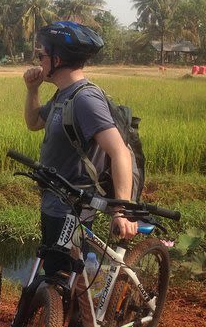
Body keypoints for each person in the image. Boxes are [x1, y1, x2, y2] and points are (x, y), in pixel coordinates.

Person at [22, 21, 138, 279]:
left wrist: (122, 211)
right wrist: (32, 90)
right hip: (55, 203)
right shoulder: (63, 94)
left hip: (74, 208)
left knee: (60, 277)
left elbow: (118, 151)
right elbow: (33, 123)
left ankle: (75, 316)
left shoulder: (85, 99)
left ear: (57, 58)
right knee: (61, 275)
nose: (39, 61)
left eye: (42, 55)